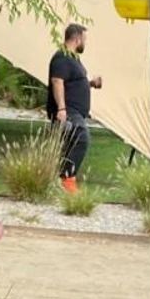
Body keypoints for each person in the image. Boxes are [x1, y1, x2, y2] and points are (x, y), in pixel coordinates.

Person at [46, 23, 102, 193]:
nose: (85, 43)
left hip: (76, 111)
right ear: (77, 39)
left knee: (68, 145)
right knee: (82, 138)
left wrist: (90, 83)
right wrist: (62, 109)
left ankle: (61, 182)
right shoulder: (61, 57)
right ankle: (68, 179)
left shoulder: (73, 58)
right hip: (68, 110)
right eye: (84, 39)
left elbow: (73, 82)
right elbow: (57, 81)